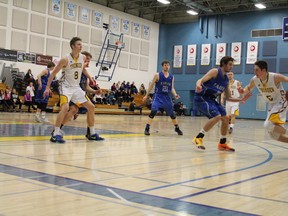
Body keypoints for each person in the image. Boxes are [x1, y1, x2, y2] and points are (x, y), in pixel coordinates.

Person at [43, 37, 103, 143]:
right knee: (65, 108)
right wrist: (47, 87)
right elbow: (53, 73)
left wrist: (89, 78)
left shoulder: (83, 57)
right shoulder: (65, 59)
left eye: (81, 44)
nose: (81, 46)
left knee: (91, 107)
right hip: (65, 86)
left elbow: (82, 68)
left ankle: (92, 133)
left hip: (76, 87)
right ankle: (55, 134)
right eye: (79, 44)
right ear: (72, 46)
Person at [192, 56, 250, 151]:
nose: (231, 67)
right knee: (217, 116)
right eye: (230, 64)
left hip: (212, 100)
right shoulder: (215, 71)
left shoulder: (226, 80)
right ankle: (198, 138)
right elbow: (200, 80)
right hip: (201, 98)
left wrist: (241, 99)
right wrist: (198, 85)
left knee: (226, 118)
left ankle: (222, 144)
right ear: (223, 64)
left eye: (232, 65)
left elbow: (228, 97)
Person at [238, 60, 288, 143]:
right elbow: (249, 87)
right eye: (254, 70)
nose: (255, 72)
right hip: (271, 104)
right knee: (274, 135)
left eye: (257, 70)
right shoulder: (254, 80)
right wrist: (242, 91)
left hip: (281, 102)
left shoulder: (275, 77)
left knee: (268, 125)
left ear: (264, 70)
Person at [58, 51, 103, 139]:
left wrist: (94, 91)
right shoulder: (74, 68)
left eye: (89, 61)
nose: (87, 62)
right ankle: (57, 128)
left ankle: (90, 132)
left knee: (91, 107)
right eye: (86, 60)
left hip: (79, 94)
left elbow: (86, 87)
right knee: (73, 110)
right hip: (70, 91)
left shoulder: (85, 75)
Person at [142, 60, 183, 136]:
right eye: (165, 65)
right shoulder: (157, 75)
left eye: (167, 65)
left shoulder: (171, 77)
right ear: (162, 66)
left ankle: (177, 128)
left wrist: (175, 94)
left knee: (172, 114)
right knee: (153, 111)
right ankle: (147, 128)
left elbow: (172, 88)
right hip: (158, 96)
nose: (166, 66)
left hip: (167, 97)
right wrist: (146, 95)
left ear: (169, 66)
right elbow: (151, 86)